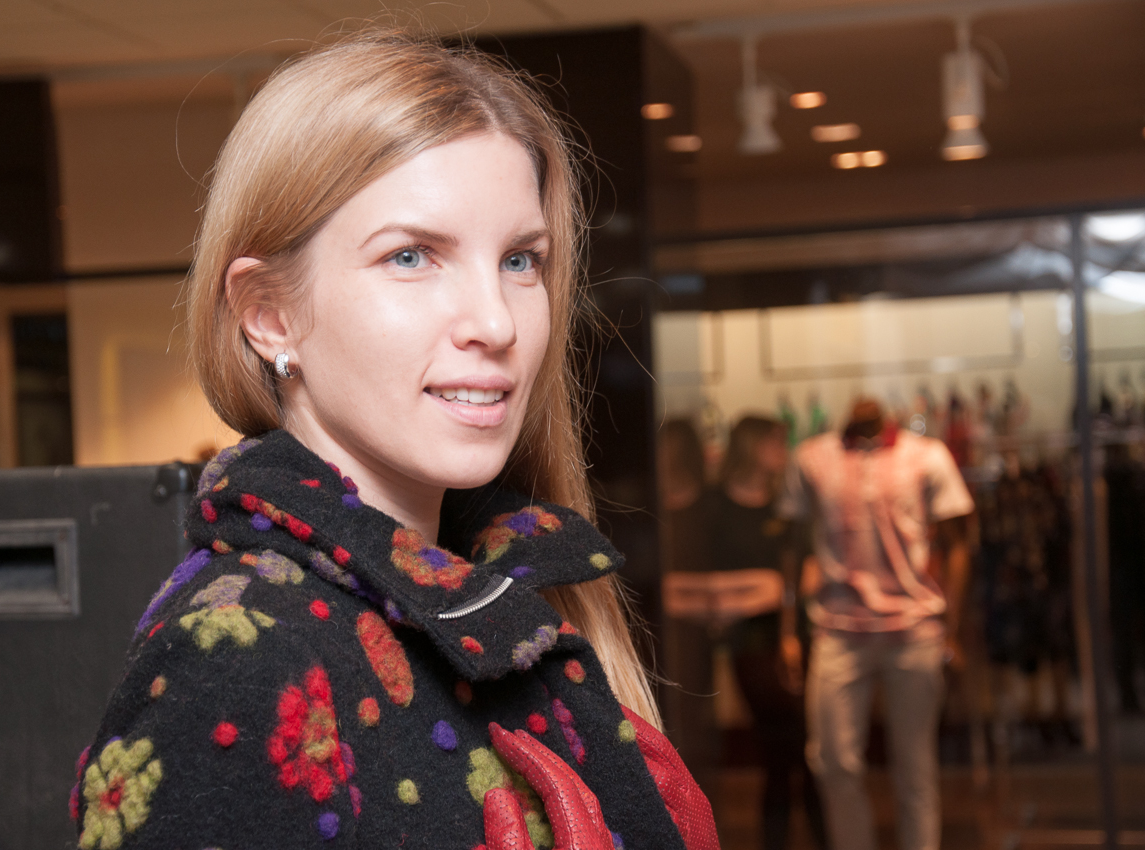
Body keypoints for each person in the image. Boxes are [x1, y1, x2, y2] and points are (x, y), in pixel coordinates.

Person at [71, 31, 719, 850]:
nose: (496, 322)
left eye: (521, 261)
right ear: (270, 314)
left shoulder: (509, 587)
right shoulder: (236, 660)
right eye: (411, 256)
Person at [781, 398, 974, 850]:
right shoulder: (811, 458)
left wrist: (952, 629)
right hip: (838, 629)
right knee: (832, 762)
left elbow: (959, 543)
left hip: (914, 630)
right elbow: (791, 548)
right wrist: (788, 632)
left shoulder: (926, 456)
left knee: (915, 767)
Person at [662, 416, 828, 850]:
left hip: (794, 639)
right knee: (782, 748)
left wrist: (763, 591)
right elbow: (689, 586)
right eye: (775, 442)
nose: (784, 451)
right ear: (753, 445)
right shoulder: (713, 508)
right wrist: (765, 588)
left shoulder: (786, 507)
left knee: (806, 751)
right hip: (747, 646)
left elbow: (810, 575)